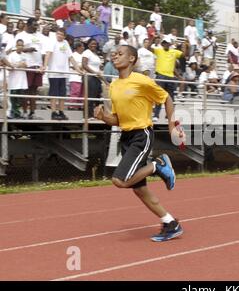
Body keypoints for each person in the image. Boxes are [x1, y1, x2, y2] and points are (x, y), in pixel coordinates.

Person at [94, 45, 184, 242]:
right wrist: (104, 117)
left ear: (132, 59)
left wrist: (172, 126)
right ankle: (171, 223)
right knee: (139, 189)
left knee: (119, 181)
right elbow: (118, 119)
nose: (115, 56)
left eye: (120, 54)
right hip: (126, 136)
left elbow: (166, 98)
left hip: (141, 135)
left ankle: (158, 165)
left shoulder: (142, 80)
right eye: (113, 54)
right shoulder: (114, 86)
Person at [43, 28, 84, 120]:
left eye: (61, 34)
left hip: (64, 73)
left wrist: (78, 70)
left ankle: (61, 112)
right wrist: (45, 66)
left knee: (62, 94)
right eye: (58, 34)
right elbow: (48, 54)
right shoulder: (52, 42)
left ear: (64, 36)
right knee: (54, 93)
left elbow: (71, 57)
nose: (59, 36)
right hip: (54, 72)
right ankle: (53, 112)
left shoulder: (65, 43)